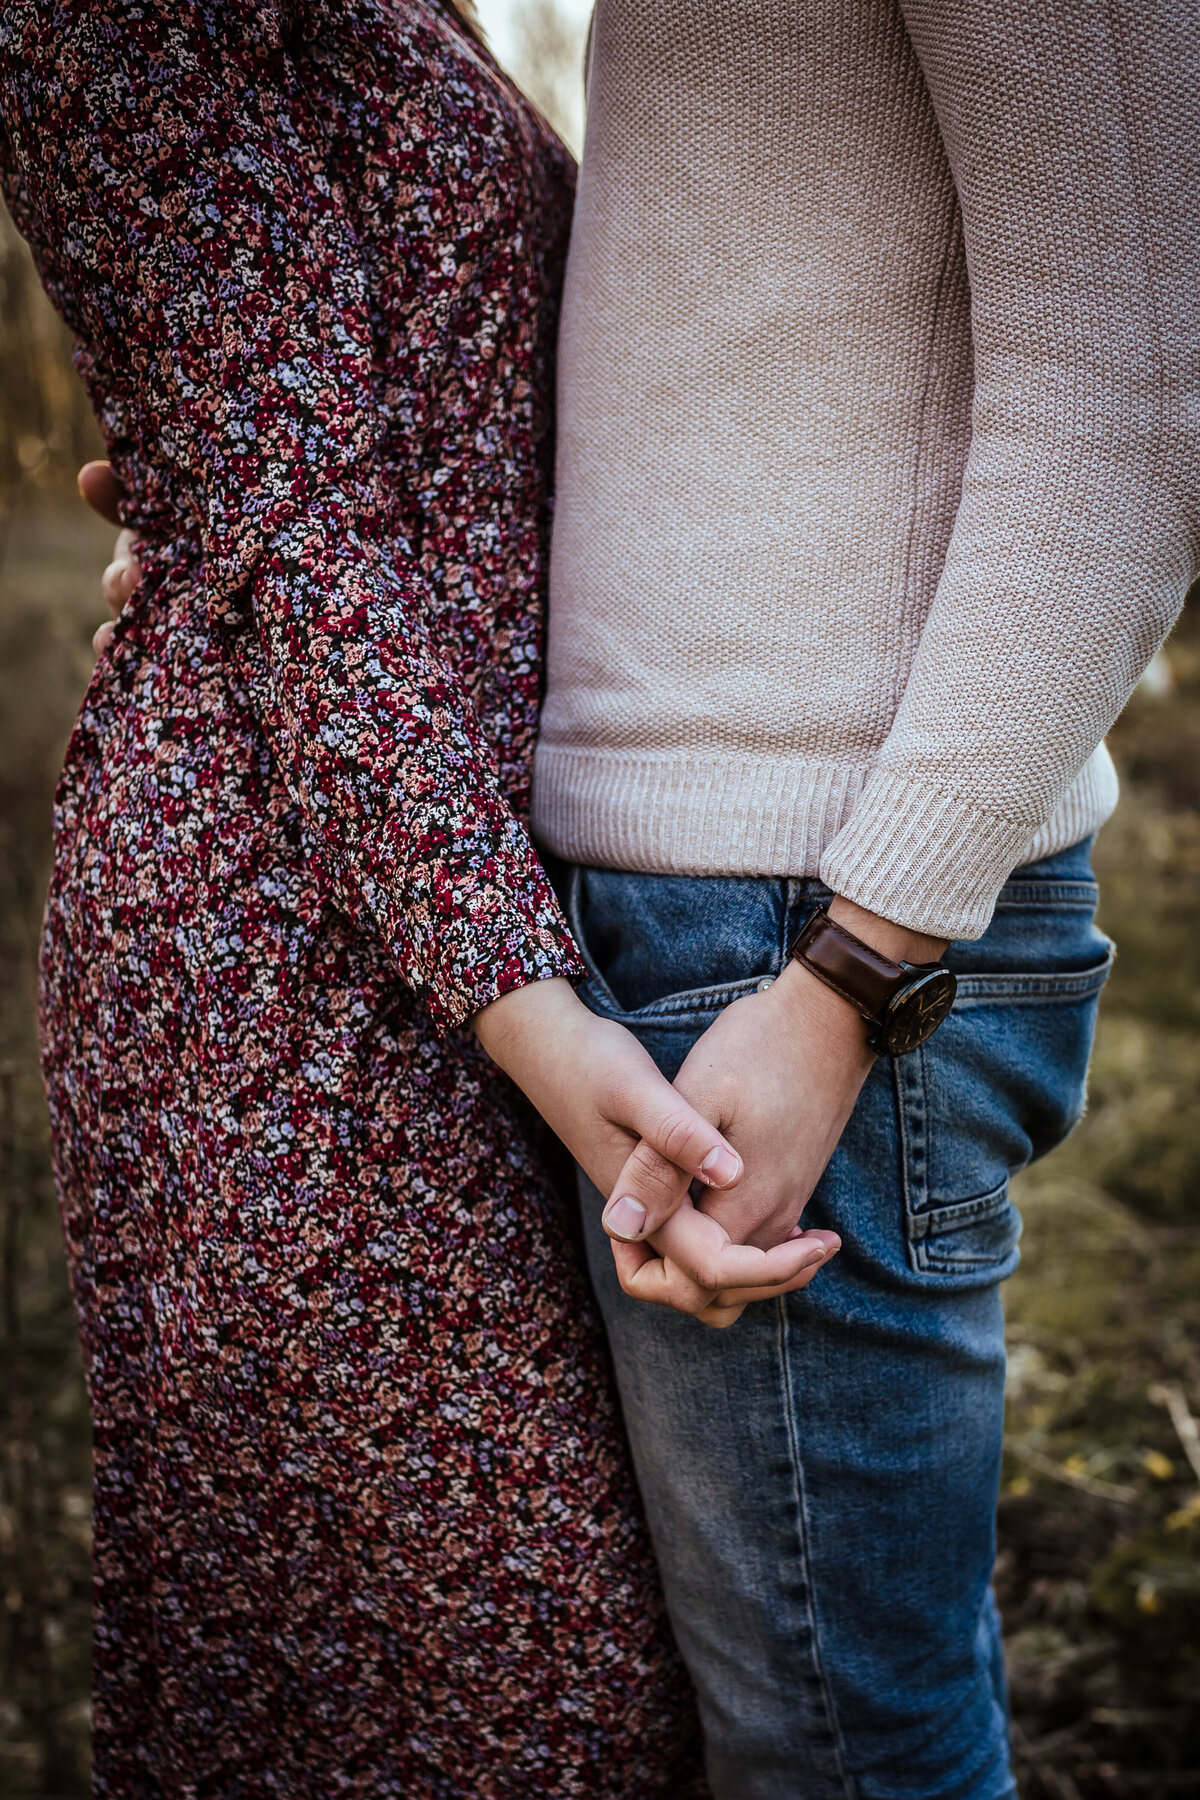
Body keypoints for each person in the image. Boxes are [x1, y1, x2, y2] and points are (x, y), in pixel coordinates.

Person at [0, 1, 841, 1792]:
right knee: (491, 1708)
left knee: (538, 1690)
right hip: (289, 963)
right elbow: (310, 549)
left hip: (463, 904)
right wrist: (554, 1039)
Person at [529, 1, 1200, 1795]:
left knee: (844, 1757)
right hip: (709, 915)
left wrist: (852, 971)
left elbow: (1140, 400)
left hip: (799, 929)